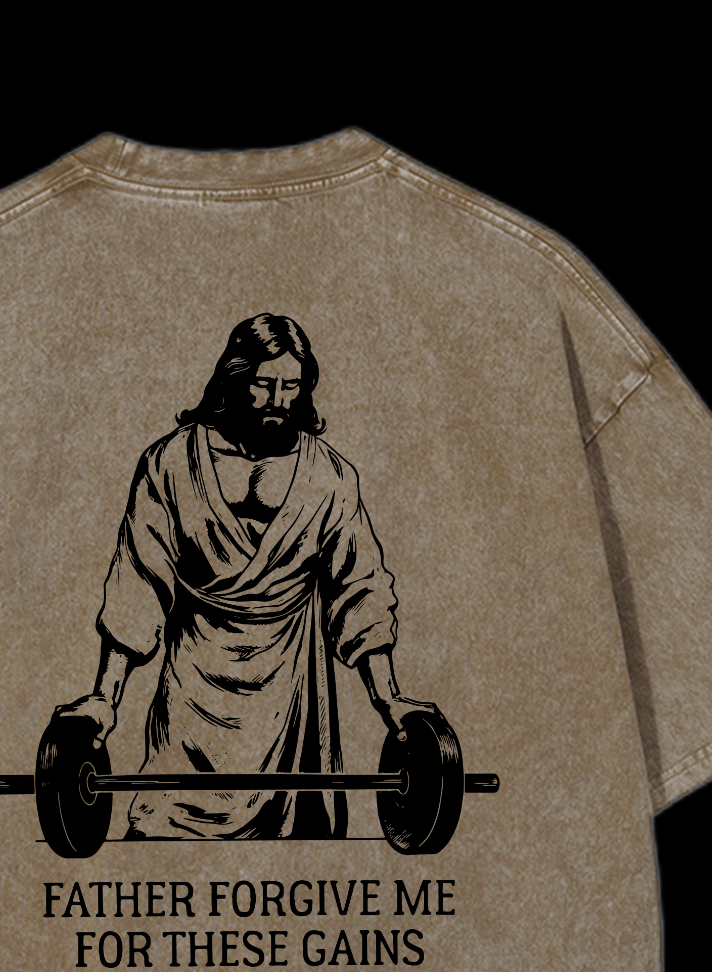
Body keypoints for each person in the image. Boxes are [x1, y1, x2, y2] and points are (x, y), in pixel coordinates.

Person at [55, 314, 431, 840]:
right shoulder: (169, 464)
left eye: (291, 386)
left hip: (291, 699)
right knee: (167, 837)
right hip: (192, 695)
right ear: (234, 377)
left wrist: (389, 698)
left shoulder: (330, 476)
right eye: (264, 383)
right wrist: (105, 699)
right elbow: (138, 584)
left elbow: (360, 588)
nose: (278, 399)